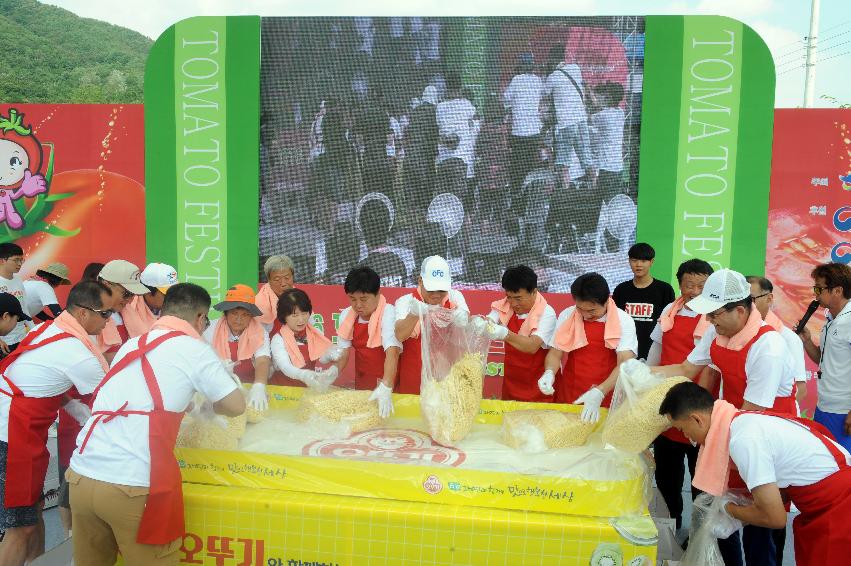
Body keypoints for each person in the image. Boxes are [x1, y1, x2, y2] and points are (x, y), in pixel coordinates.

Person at [68, 283, 245, 566]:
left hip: (81, 477)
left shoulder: (132, 344)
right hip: (131, 486)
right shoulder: (193, 348)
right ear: (200, 318)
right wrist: (210, 406)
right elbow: (236, 406)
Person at [653, 268, 796, 566]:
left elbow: (753, 412)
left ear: (741, 310)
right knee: (719, 519)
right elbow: (685, 369)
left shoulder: (768, 346)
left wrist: (712, 438)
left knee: (759, 523)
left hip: (764, 437)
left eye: (715, 314)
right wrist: (640, 372)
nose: (709, 320)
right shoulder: (717, 330)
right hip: (732, 426)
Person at [660, 381, 851, 565]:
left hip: (838, 507)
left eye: (683, 430)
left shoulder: (743, 439)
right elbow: (785, 484)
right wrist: (746, 505)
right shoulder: (741, 421)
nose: (687, 437)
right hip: (824, 498)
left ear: (696, 419)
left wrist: (728, 509)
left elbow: (775, 518)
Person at [0, 281, 111, 566]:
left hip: (20, 429)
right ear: (85, 313)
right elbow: (113, 399)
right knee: (18, 527)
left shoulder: (48, 328)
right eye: (106, 313)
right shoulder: (78, 353)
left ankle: (37, 561)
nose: (109, 320)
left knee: (33, 508)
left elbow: (45, 381)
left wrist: (73, 407)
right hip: (10, 433)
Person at [645, 259, 716, 533]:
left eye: (702, 285)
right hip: (669, 408)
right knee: (667, 480)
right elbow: (657, 349)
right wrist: (645, 375)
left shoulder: (714, 317)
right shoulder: (669, 310)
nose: (695, 291)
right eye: (689, 285)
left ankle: (700, 536)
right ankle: (671, 530)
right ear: (680, 284)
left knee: (702, 482)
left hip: (700, 410)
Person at [539, 272, 637, 422]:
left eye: (591, 311)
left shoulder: (623, 320)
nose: (585, 315)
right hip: (570, 391)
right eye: (580, 308)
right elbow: (555, 353)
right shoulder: (568, 315)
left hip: (606, 393)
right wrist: (549, 372)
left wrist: (600, 392)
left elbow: (625, 363)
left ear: (606, 301)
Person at [394, 256, 469, 394]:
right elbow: (399, 334)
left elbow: (466, 324)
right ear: (420, 281)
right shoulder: (406, 302)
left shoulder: (455, 297)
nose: (436, 295)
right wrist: (414, 314)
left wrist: (462, 317)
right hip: (414, 375)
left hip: (445, 373)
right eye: (431, 289)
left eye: (441, 290)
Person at [482, 265, 557, 402]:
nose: (513, 303)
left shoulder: (547, 313)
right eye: (509, 297)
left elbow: (532, 346)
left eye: (518, 298)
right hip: (511, 384)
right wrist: (480, 324)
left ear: (534, 292)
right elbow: (488, 321)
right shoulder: (504, 305)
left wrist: (505, 334)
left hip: (539, 385)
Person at [334, 267, 401, 417]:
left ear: (378, 295)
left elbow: (393, 351)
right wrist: (331, 374)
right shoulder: (346, 315)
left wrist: (386, 386)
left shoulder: (388, 312)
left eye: (363, 299)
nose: (358, 305)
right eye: (352, 299)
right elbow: (343, 353)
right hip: (363, 380)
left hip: (388, 381)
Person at [799, 262, 851, 453]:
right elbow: (824, 360)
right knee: (826, 460)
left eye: (819, 288)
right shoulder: (832, 320)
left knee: (843, 465)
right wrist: (807, 342)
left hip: (843, 411)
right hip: (824, 406)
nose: (816, 294)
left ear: (837, 290)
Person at [203, 284, 272, 410]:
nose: (239, 319)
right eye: (234, 313)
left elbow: (263, 360)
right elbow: (202, 360)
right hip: (216, 388)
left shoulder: (260, 333)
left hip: (249, 388)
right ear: (226, 313)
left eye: (245, 314)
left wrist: (259, 386)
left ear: (251, 316)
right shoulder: (210, 330)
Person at [747, 276, 808, 412]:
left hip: (776, 417)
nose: (745, 306)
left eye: (751, 300)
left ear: (769, 299)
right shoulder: (732, 334)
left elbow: (800, 390)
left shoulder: (788, 338)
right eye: (741, 300)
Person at [612, 243, 675, 361]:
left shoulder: (664, 290)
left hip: (654, 351)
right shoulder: (621, 289)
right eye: (634, 260)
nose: (638, 265)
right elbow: (614, 320)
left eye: (643, 261)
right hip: (625, 350)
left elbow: (669, 323)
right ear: (629, 261)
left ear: (651, 262)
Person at [270, 288, 338, 388]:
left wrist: (330, 356)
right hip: (281, 391)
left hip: (306, 390)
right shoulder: (278, 339)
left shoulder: (314, 333)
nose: (301, 320)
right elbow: (285, 367)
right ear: (284, 316)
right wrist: (305, 375)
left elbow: (322, 359)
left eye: (304, 313)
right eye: (295, 315)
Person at [545, 44, 592, 188]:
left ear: (552, 59)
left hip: (566, 122)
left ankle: (565, 190)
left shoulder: (552, 77)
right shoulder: (576, 69)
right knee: (586, 157)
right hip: (581, 119)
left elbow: (544, 95)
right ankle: (595, 188)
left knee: (563, 160)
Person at [503, 53, 544, 207]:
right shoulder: (538, 80)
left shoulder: (516, 80)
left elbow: (506, 99)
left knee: (516, 169)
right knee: (528, 167)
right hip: (534, 131)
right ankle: (527, 201)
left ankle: (516, 202)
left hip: (519, 131)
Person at [96, 260, 150, 359]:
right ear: (106, 285)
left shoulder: (126, 314)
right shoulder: (88, 315)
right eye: (127, 294)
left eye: (133, 294)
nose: (130, 301)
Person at [589, 82, 626, 199]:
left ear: (609, 96)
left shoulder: (602, 116)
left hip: (605, 168)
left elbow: (589, 117)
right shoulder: (621, 113)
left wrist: (589, 93)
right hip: (618, 168)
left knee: (601, 203)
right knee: (611, 203)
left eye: (605, 94)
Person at [0, 243, 30, 355]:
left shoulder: (18, 279)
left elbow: (24, 306)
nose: (19, 264)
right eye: (16, 260)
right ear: (2, 260)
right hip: (4, 342)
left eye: (22, 260)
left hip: (21, 336)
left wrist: (32, 331)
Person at [256, 255, 296, 334]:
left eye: (287, 278)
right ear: (269, 280)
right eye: (277, 279)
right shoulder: (259, 303)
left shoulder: (298, 296)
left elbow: (311, 325)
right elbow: (259, 338)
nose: (283, 283)